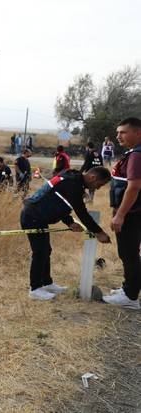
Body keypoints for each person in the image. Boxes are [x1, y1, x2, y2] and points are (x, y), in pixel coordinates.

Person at [21, 166, 112, 300]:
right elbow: (82, 213)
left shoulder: (73, 179)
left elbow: (59, 202)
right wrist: (99, 232)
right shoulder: (73, 183)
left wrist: (69, 222)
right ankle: (35, 289)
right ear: (93, 177)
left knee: (46, 250)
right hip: (32, 217)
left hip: (38, 217)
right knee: (40, 252)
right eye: (99, 185)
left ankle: (46, 283)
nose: (97, 188)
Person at [103, 117, 141, 310]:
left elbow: (133, 187)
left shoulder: (136, 156)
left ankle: (131, 297)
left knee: (129, 253)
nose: (118, 136)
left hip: (131, 214)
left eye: (123, 132)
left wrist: (120, 215)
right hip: (132, 213)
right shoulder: (133, 153)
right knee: (128, 253)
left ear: (138, 133)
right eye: (118, 132)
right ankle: (128, 287)